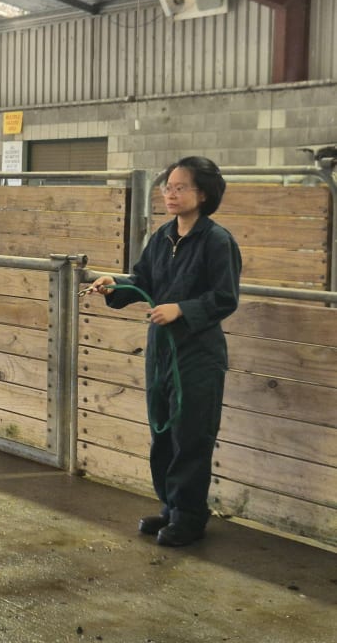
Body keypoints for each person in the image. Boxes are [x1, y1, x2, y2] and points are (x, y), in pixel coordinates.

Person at [85, 156, 241, 547]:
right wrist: (113, 285)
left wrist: (182, 309)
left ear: (203, 194)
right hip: (160, 352)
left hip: (197, 352)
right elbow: (142, 279)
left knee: (192, 433)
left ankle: (190, 515)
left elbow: (224, 297)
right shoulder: (162, 236)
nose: (170, 194)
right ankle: (170, 506)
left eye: (180, 187)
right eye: (167, 187)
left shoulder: (217, 241)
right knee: (163, 430)